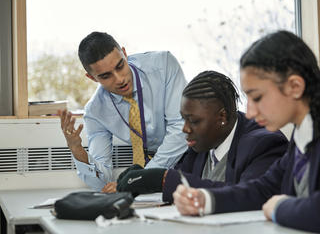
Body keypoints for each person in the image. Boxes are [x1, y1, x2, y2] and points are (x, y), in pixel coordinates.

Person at [173, 31, 320, 233]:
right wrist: (206, 200)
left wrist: (280, 207)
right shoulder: (302, 135)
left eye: (257, 97)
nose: (249, 113)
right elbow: (264, 188)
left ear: (295, 86)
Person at [116, 70, 288, 203]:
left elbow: (248, 194)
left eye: (194, 121)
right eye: (184, 119)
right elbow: (181, 179)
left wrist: (163, 179)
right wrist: (144, 179)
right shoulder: (201, 142)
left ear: (222, 117)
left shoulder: (266, 143)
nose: (185, 129)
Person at [58, 31, 188, 192]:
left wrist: (140, 179)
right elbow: (102, 182)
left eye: (120, 66)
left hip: (190, 161)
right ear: (92, 78)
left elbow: (181, 129)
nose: (119, 79)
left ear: (125, 54)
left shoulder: (164, 65)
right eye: (106, 76)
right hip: (151, 180)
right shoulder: (95, 112)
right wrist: (77, 151)